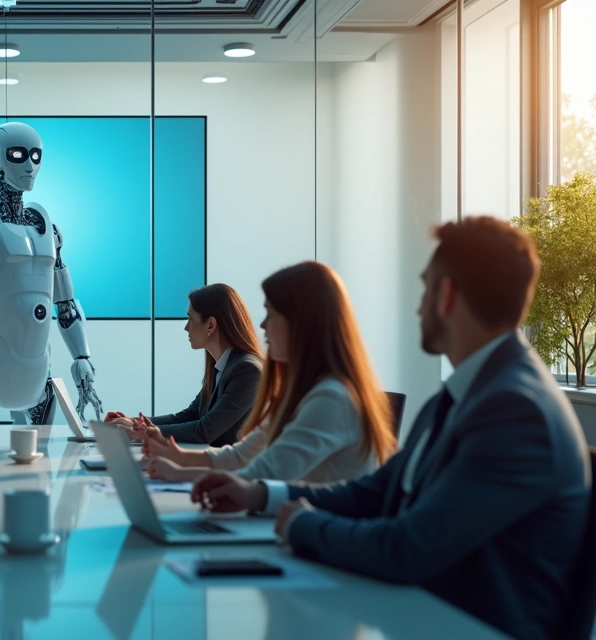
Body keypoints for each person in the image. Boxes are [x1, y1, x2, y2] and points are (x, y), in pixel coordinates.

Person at [190, 217, 590, 640]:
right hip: (420, 613)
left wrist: (301, 524)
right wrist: (262, 494)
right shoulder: (462, 395)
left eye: (424, 289)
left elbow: (409, 548)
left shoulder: (515, 410)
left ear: (447, 295)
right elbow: (378, 491)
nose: (418, 307)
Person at [144, 262, 396, 485]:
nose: (262, 325)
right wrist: (177, 457)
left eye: (271, 314)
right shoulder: (298, 392)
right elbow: (242, 455)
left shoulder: (331, 398)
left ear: (301, 323)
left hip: (317, 532)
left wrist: (180, 471)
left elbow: (266, 473)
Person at [104, 284, 263, 446]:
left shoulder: (248, 370)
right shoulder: (222, 367)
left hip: (232, 469)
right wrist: (134, 423)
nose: (186, 327)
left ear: (210, 325)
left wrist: (144, 433)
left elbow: (205, 430)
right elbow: (190, 416)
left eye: (191, 319)